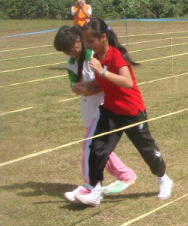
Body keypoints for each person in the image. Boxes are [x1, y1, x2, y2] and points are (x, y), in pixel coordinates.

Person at [75, 18, 173, 206]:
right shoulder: (96, 58)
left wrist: (102, 72)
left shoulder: (117, 55)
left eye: (91, 41)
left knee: (147, 149)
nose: (88, 46)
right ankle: (95, 191)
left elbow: (127, 82)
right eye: (86, 42)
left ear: (103, 37)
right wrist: (85, 86)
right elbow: (104, 84)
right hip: (110, 110)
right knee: (97, 148)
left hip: (131, 111)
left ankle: (164, 178)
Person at [53, 26, 137, 203]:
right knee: (98, 146)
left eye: (69, 48)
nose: (69, 53)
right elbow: (75, 86)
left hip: (103, 105)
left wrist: (90, 87)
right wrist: (82, 89)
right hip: (87, 108)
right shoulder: (71, 62)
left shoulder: (94, 55)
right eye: (64, 51)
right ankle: (125, 174)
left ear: (78, 42)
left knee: (90, 145)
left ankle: (89, 185)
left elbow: (106, 80)